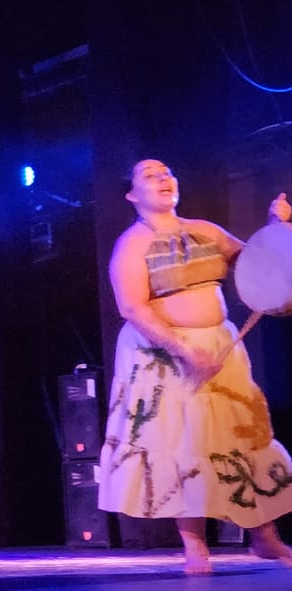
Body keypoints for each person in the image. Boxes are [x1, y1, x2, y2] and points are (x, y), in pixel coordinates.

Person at [99, 158, 292, 574]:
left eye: (166, 172)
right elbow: (131, 306)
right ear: (132, 195)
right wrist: (183, 350)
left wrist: (276, 227)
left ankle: (265, 536)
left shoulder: (206, 230)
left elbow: (260, 266)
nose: (163, 178)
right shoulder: (131, 244)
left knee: (243, 437)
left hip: (220, 347)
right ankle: (195, 543)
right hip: (166, 354)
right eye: (150, 175)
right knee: (185, 443)